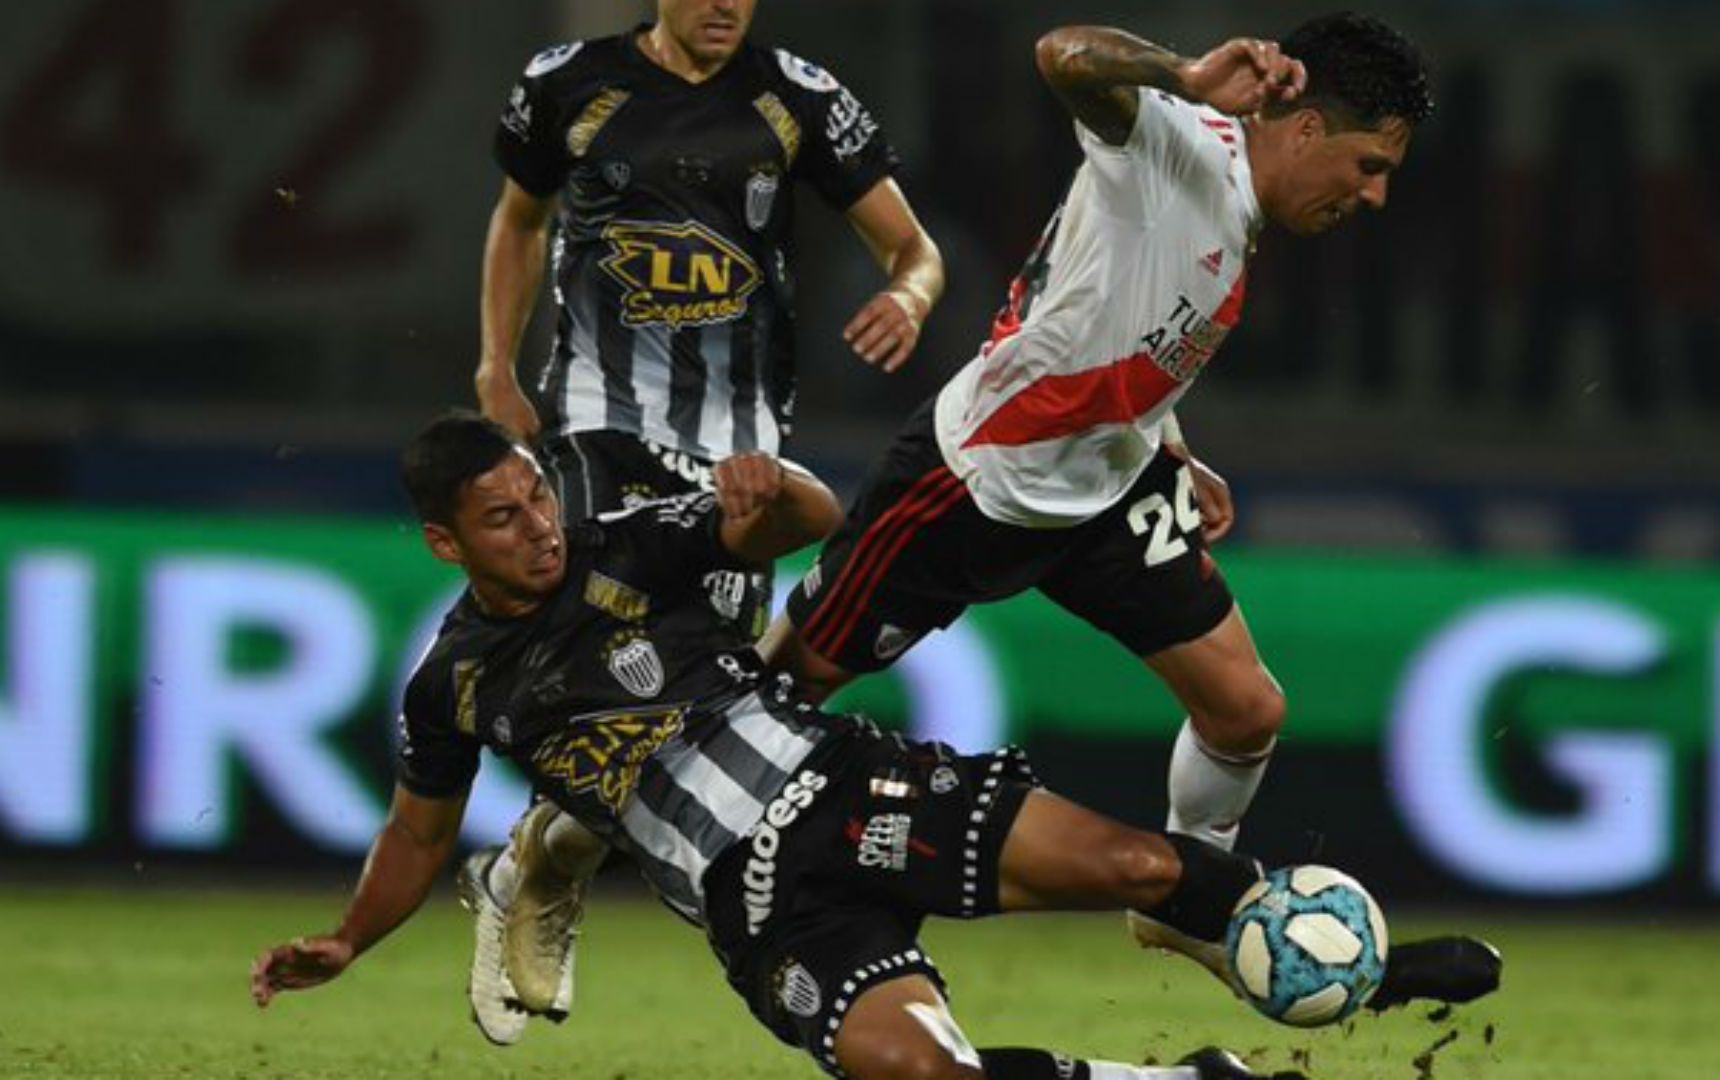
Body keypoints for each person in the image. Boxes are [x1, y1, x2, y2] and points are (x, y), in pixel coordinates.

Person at [491, 11, 1445, 1006]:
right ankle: (554, 850)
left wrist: (1170, 442)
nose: (1372, 196)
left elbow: (1090, 302)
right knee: (765, 701)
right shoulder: (1172, 135)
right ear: (1303, 130)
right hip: (970, 487)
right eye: (1370, 166)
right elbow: (1063, 56)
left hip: (1107, 485)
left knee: (1247, 711)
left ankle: (1178, 905)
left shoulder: (1236, 204)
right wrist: (1185, 72)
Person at [250, 414, 1498, 1080]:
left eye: (537, 497)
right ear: (443, 543)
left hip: (837, 789)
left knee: (1137, 869)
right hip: (751, 909)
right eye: (502, 518)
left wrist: (767, 487)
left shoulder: (629, 542)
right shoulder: (451, 686)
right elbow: (418, 834)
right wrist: (350, 940)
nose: (537, 528)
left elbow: (813, 520)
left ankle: (1353, 968)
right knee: (918, 1076)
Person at [472, 0, 944, 1039]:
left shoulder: (800, 100)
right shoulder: (567, 86)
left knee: (689, 716)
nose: (727, 4)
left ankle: (542, 859)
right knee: (596, 663)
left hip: (739, 454)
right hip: (599, 426)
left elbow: (915, 251)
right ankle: (544, 867)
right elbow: (520, 219)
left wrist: (909, 300)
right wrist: (495, 366)